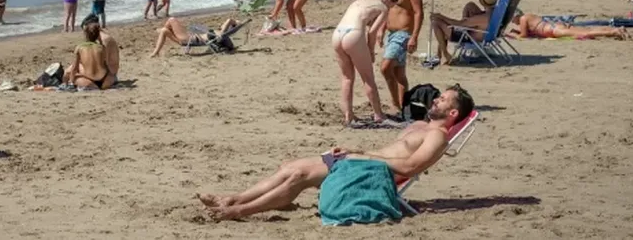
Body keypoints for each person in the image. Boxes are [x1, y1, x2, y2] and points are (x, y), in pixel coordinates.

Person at [196, 85, 475, 221]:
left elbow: (409, 167)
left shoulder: (437, 136)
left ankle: (239, 210)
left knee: (300, 175)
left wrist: (360, 154)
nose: (435, 98)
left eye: (442, 100)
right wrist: (356, 151)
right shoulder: (420, 124)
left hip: (374, 172)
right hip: (363, 161)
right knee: (289, 166)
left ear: (452, 114)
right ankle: (234, 198)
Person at [331, 0, 399, 125]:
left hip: (337, 33)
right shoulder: (383, 8)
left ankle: (348, 115)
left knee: (347, 78)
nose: (391, 7)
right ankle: (379, 115)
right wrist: (370, 51)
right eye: (392, 3)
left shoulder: (361, 0)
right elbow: (372, 33)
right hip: (353, 35)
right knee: (368, 78)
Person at [381, 0, 422, 113]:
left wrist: (414, 37)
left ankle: (395, 104)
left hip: (403, 35)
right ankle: (405, 107)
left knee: (385, 68)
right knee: (399, 73)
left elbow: (419, 13)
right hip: (391, 34)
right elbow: (387, 11)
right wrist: (380, 30)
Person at [429, 0, 499, 65]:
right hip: (481, 33)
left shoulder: (483, 18)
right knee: (470, 5)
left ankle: (445, 54)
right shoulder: (494, 14)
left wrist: (441, 16)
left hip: (467, 36)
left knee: (436, 22)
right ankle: (439, 54)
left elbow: (459, 24)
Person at [149, 17, 241, 57]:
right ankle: (155, 53)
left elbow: (229, 20)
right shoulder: (219, 34)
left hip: (189, 39)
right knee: (164, 31)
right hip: (187, 39)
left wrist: (236, 22)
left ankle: (162, 29)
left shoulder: (220, 34)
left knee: (171, 20)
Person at [62, 22, 116, 90]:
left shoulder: (80, 47)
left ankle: (93, 86)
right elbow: (106, 65)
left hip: (89, 80)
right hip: (104, 79)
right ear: (98, 35)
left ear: (85, 34)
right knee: (112, 75)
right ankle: (103, 85)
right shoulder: (102, 48)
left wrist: (71, 82)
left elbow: (74, 68)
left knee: (71, 74)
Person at [508, 13, 629, 40]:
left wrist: (509, 34)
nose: (513, 22)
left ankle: (614, 32)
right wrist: (516, 31)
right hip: (555, 25)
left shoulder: (523, 19)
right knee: (586, 30)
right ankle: (614, 29)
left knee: (584, 34)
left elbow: (524, 36)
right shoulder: (528, 15)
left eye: (512, 20)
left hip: (553, 30)